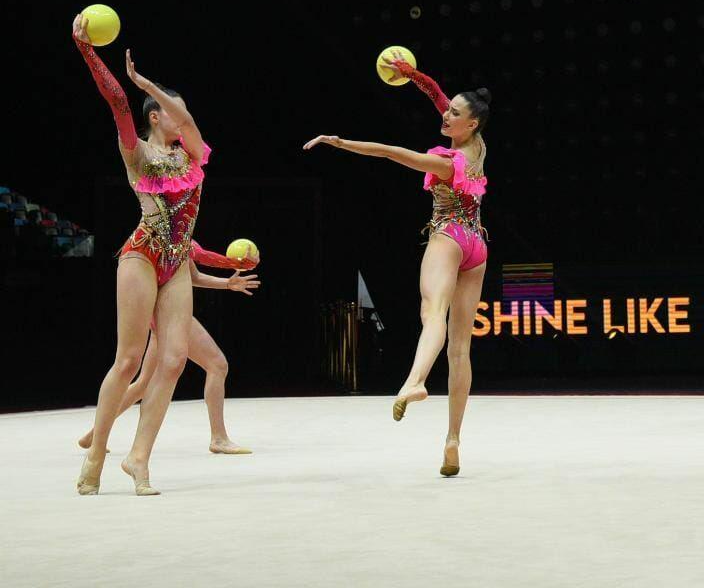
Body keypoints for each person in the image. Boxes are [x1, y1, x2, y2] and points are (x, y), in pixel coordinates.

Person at [304, 51, 490, 476]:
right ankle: (453, 439)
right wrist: (413, 75)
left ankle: (416, 380)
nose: (445, 115)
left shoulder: (445, 163)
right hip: (477, 245)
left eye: (453, 114)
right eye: (447, 109)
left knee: (433, 314)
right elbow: (437, 95)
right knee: (461, 349)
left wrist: (340, 142)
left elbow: (390, 153)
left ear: (470, 123)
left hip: (449, 236)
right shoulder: (477, 147)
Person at [73, 13, 210, 495]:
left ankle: (138, 458)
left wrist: (148, 83)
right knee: (129, 358)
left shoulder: (194, 156)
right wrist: (88, 51)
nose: (181, 117)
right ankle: (96, 450)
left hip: (176, 265)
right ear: (155, 117)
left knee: (173, 361)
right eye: (170, 110)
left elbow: (188, 122)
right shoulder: (137, 152)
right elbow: (117, 101)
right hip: (142, 255)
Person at [77, 241, 261, 455]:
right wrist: (237, 263)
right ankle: (219, 438)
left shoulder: (177, 235)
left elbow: (194, 275)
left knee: (143, 384)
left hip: (159, 315)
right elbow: (202, 255)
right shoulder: (171, 235)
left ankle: (95, 434)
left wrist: (228, 283)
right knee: (217, 365)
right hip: (168, 315)